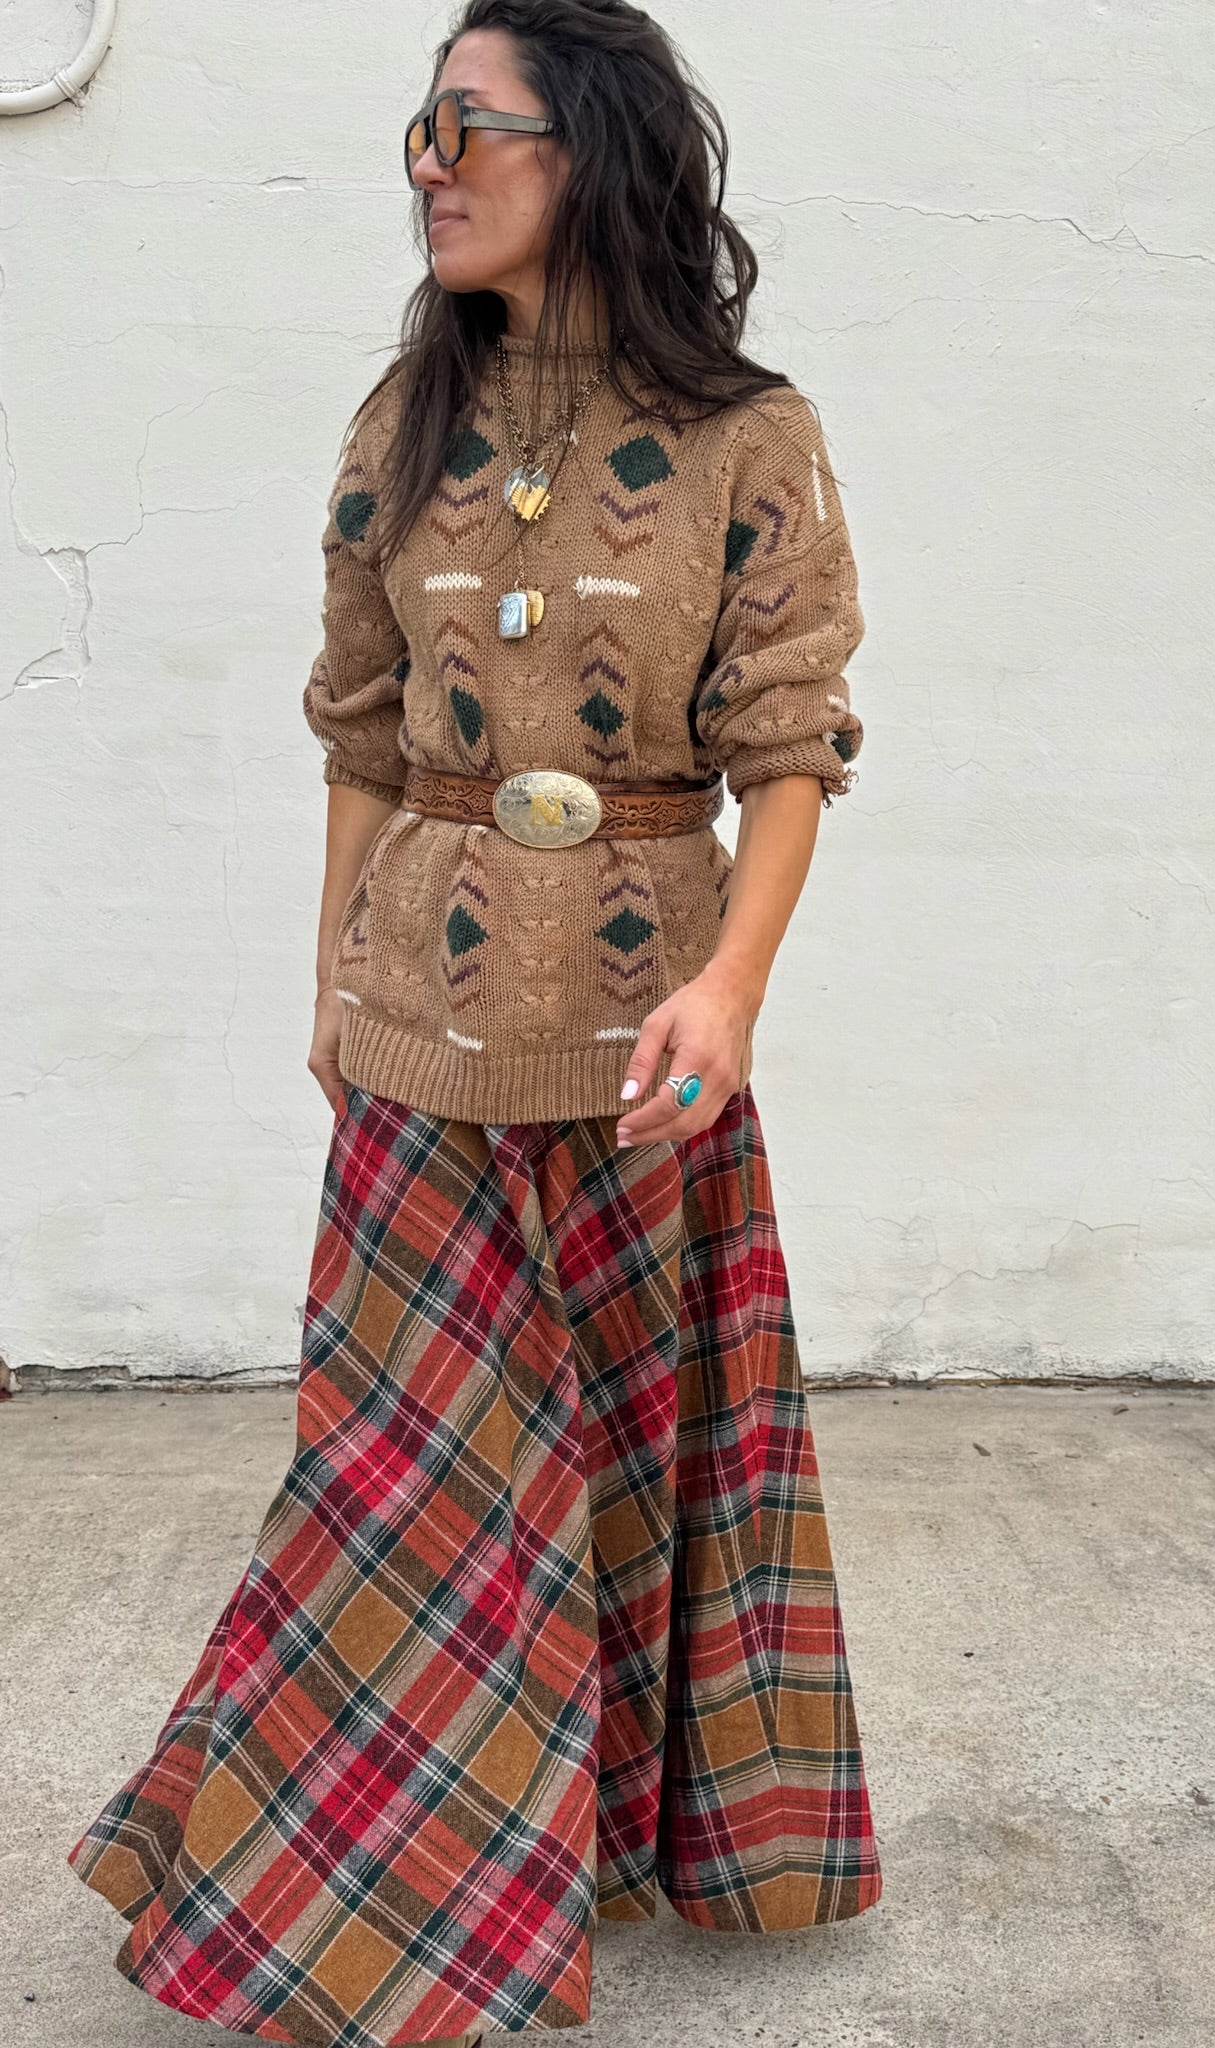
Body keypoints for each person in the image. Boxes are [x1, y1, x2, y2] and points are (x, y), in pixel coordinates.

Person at [65, 2, 883, 2043]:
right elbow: (360, 725)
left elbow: (790, 741)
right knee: (408, 1486)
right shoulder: (401, 422)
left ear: (586, 149)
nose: (428, 165)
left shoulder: (749, 439)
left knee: (617, 1466)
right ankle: (375, 1924)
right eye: (415, 131)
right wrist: (330, 973)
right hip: (417, 1024)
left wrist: (732, 985)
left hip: (636, 1039)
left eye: (468, 126)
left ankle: (585, 1849)